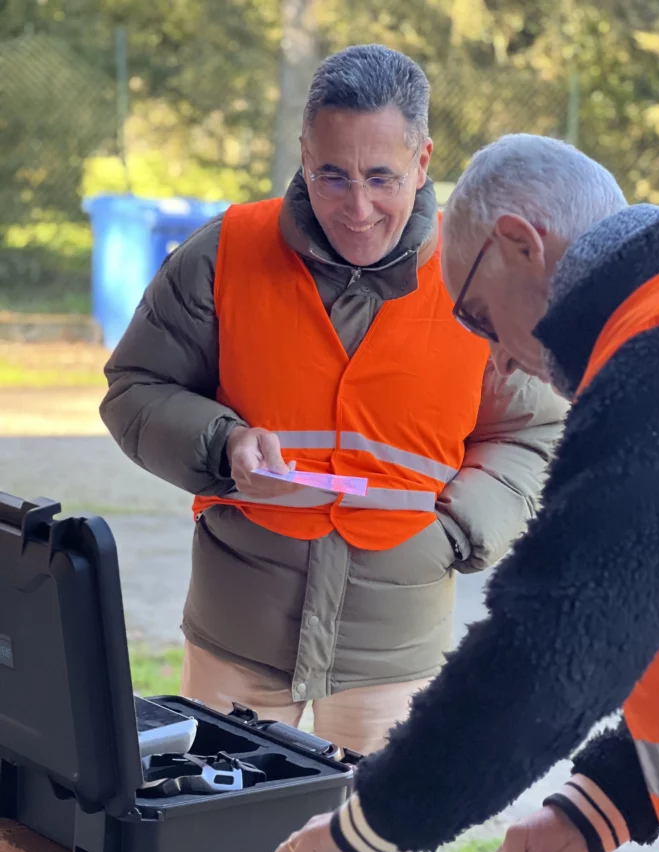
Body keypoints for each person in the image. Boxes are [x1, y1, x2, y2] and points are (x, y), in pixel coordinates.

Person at [252, 134, 659, 852]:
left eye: (483, 318)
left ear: (524, 244)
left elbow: (559, 639)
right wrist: (594, 809)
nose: (494, 359)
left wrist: (376, 822)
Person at [100, 52, 567, 763]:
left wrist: (457, 530)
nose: (356, 208)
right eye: (332, 176)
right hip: (237, 636)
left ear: (423, 159)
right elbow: (135, 387)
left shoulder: (477, 277)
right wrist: (220, 443)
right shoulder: (224, 254)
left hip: (396, 652)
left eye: (381, 177)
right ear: (303, 155)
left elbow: (533, 431)